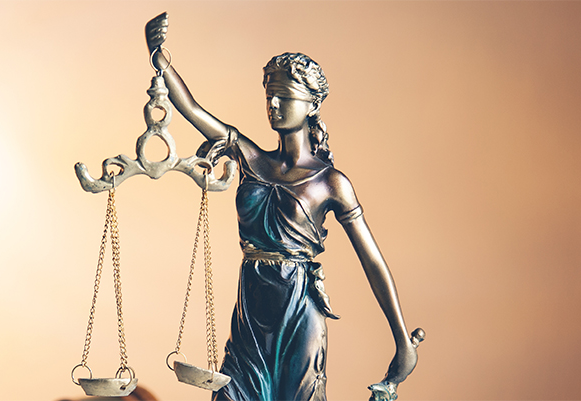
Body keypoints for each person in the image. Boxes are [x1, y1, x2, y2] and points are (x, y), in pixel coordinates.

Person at [146, 13, 418, 401]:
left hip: (298, 312)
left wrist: (402, 340)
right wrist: (160, 60)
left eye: (285, 97)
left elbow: (373, 262)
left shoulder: (331, 183)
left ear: (311, 105)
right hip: (250, 315)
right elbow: (190, 108)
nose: (273, 104)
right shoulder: (251, 158)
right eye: (269, 95)